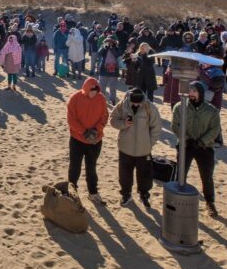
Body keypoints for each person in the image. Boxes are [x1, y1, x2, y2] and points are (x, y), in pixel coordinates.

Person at [174, 81, 222, 215]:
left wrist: (202, 141)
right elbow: (175, 125)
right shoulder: (179, 107)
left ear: (200, 93)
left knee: (206, 176)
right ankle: (178, 198)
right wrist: (186, 138)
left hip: (205, 148)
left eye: (194, 91)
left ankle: (210, 202)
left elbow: (215, 129)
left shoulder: (211, 110)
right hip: (186, 146)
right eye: (189, 91)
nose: (191, 94)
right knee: (181, 173)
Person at [108, 88, 162, 207]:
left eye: (138, 102)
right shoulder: (122, 105)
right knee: (125, 174)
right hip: (125, 148)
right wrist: (123, 124)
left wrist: (149, 143)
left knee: (145, 174)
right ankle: (126, 194)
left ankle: (144, 194)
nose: (136, 104)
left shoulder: (150, 107)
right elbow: (112, 119)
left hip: (144, 150)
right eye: (134, 102)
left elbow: (156, 127)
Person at [66, 78, 109, 206]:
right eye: (92, 91)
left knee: (91, 167)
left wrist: (96, 130)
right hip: (77, 139)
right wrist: (84, 132)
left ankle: (93, 192)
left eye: (96, 91)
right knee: (75, 167)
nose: (94, 94)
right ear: (86, 89)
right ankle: (71, 192)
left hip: (95, 140)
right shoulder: (75, 98)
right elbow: (71, 120)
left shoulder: (101, 98)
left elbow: (104, 117)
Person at [95, 36, 122, 104]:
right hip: (104, 69)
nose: (109, 43)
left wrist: (112, 48)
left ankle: (112, 100)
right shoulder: (104, 47)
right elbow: (99, 53)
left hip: (114, 70)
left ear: (114, 42)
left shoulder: (117, 48)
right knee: (101, 86)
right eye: (108, 41)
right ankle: (102, 100)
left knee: (112, 87)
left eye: (111, 41)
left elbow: (118, 55)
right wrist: (104, 47)